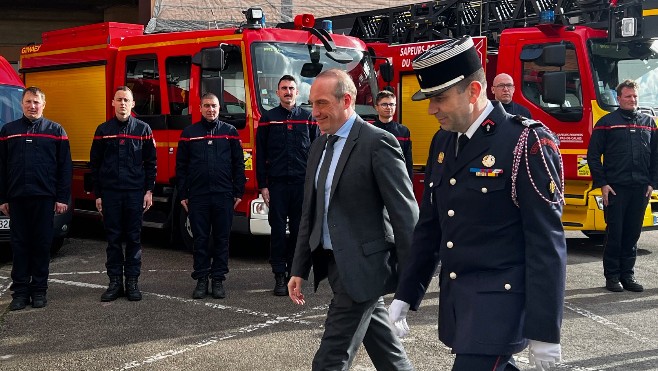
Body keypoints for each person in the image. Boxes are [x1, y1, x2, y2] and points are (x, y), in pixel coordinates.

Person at [388, 36, 567, 371]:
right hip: (462, 304)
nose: (431, 109)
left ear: (472, 91)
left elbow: (547, 243)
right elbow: (431, 226)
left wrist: (545, 331)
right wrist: (405, 293)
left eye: (439, 98)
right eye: (429, 99)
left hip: (501, 307)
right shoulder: (443, 141)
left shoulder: (525, 141)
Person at [288, 69, 419, 370]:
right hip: (333, 264)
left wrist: (412, 282)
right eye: (312, 104)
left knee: (330, 359)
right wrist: (299, 268)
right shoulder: (320, 144)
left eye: (321, 104)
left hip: (364, 267)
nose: (315, 112)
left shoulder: (377, 142)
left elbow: (405, 215)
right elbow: (311, 211)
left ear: (346, 100)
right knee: (387, 352)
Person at [0, 86, 72, 311]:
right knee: (20, 246)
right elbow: (1, 167)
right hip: (17, 199)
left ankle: (39, 291)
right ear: (22, 104)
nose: (32, 106)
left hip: (44, 199)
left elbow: (65, 168)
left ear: (44, 105)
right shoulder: (8, 131)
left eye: (36, 102)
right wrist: (3, 198)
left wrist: (61, 198)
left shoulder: (56, 130)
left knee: (42, 245)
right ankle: (20, 293)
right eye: (28, 102)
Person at [586, 79, 657, 293]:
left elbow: (656, 156)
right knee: (615, 234)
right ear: (619, 99)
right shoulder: (607, 122)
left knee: (632, 234)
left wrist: (653, 183)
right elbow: (593, 156)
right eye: (628, 96)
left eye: (635, 96)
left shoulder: (648, 122)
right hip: (616, 189)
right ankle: (612, 277)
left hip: (640, 189)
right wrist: (603, 184)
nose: (632, 100)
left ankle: (628, 275)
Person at [90, 86, 157, 302]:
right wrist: (98, 194)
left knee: (134, 240)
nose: (122, 104)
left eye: (126, 100)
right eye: (119, 100)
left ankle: (132, 283)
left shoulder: (143, 129)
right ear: (112, 102)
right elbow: (95, 165)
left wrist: (149, 191)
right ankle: (115, 283)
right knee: (113, 241)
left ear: (133, 103)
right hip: (110, 195)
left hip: (135, 194)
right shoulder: (102, 130)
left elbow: (151, 163)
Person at [176, 93, 246, 300]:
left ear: (219, 108)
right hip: (198, 196)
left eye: (214, 106)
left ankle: (218, 281)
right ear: (200, 108)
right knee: (200, 239)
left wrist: (238, 191)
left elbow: (238, 164)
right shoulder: (189, 133)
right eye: (206, 106)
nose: (210, 109)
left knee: (222, 239)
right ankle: (201, 280)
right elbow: (181, 167)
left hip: (223, 195)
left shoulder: (230, 132)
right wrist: (183, 193)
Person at [256, 75, 319, 296]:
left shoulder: (309, 118)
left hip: (302, 185)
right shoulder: (268, 118)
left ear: (298, 91)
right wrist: (263, 186)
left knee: (300, 233)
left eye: (292, 88)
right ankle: (279, 277)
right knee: (278, 233)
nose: (288, 92)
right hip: (277, 186)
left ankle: (295, 274)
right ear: (277, 92)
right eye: (284, 88)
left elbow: (317, 152)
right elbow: (260, 153)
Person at [372, 90, 414, 180]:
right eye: (384, 104)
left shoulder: (403, 131)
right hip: (375, 179)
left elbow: (408, 161)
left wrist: (409, 182)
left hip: (397, 179)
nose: (388, 107)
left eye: (391, 104)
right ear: (376, 107)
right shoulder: (369, 130)